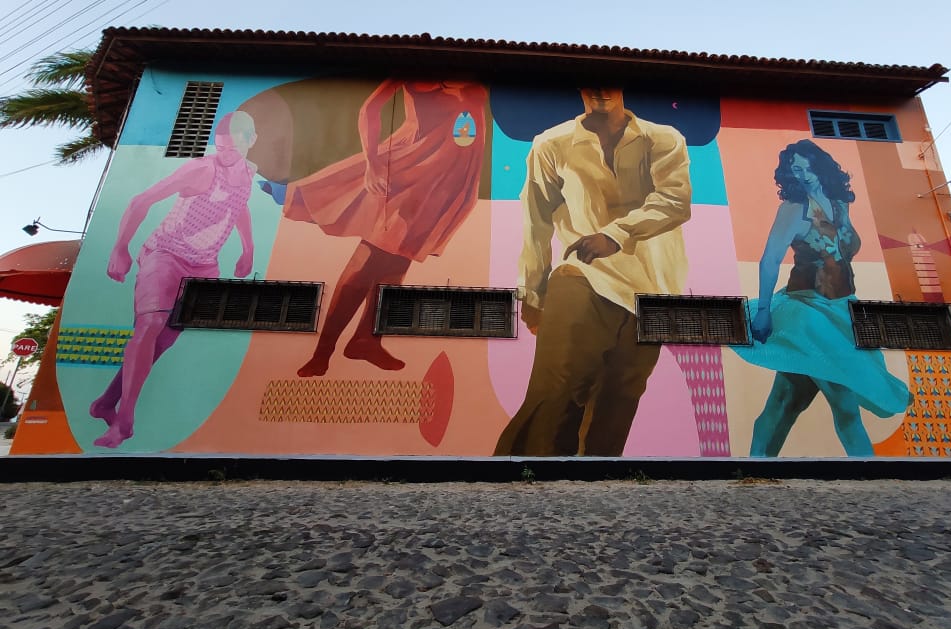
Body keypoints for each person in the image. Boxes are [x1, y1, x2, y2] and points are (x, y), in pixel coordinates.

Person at [494, 88, 692, 456]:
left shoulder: (663, 139)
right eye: (592, 83)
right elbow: (536, 221)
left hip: (653, 290)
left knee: (617, 404)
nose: (601, 90)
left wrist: (615, 235)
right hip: (583, 277)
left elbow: (675, 202)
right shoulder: (551, 144)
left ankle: (596, 484)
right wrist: (533, 293)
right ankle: (519, 478)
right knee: (554, 393)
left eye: (610, 82)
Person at [282, 79, 488, 376]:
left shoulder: (476, 74)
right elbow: (369, 109)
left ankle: (366, 340)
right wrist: (372, 164)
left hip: (441, 184)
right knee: (367, 260)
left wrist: (465, 191)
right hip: (407, 173)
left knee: (397, 265)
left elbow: (472, 134)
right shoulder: (418, 67)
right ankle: (322, 352)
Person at [90, 111, 258, 448]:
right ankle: (123, 422)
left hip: (204, 266)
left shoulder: (249, 173)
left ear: (251, 141)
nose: (225, 154)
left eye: (232, 149)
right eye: (220, 147)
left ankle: (105, 403)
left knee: (163, 341)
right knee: (150, 325)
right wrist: (120, 248)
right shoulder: (201, 169)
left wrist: (248, 248)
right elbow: (140, 201)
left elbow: (238, 204)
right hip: (165, 254)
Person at [733, 139, 910, 457]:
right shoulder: (793, 209)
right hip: (808, 313)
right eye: (794, 169)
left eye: (805, 166)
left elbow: (843, 252)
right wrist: (763, 311)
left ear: (819, 166)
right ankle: (870, 476)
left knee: (785, 403)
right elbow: (770, 260)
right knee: (845, 406)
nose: (800, 173)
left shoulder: (841, 205)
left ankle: (755, 468)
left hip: (843, 312)